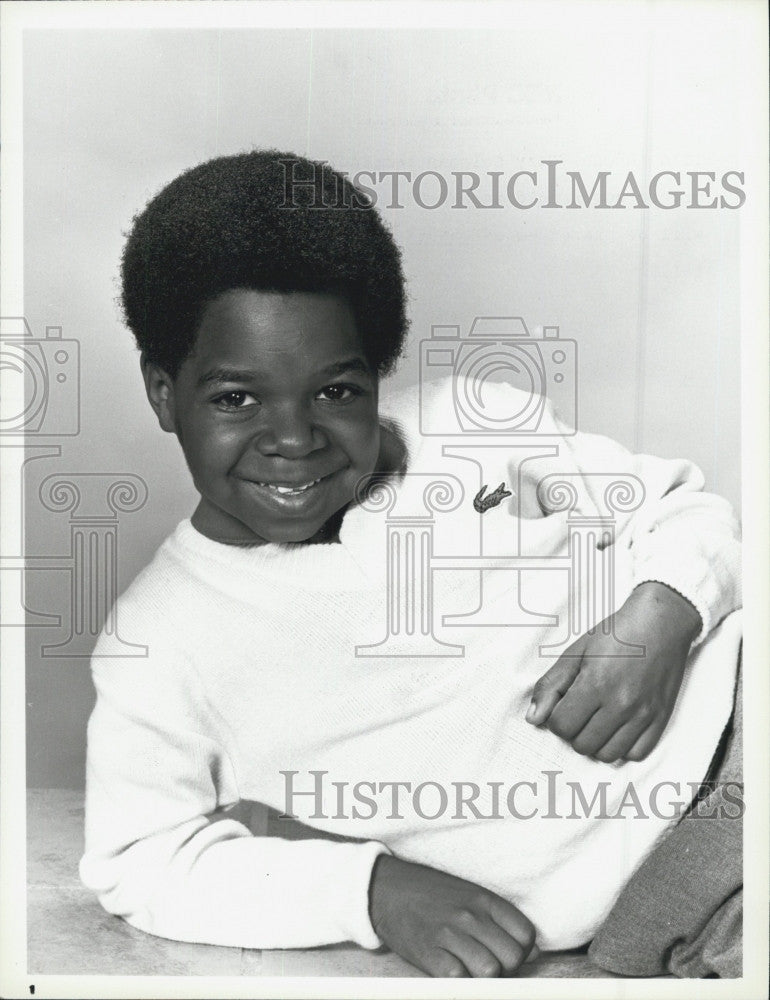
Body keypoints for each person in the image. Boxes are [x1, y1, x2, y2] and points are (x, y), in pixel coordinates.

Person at [79, 150, 742, 978]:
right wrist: (373, 891)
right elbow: (140, 857)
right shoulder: (160, 637)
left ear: (377, 370)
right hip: (681, 895)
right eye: (235, 399)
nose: (294, 438)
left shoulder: (473, 423)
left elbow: (678, 506)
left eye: (337, 391)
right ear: (163, 393)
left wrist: (665, 610)